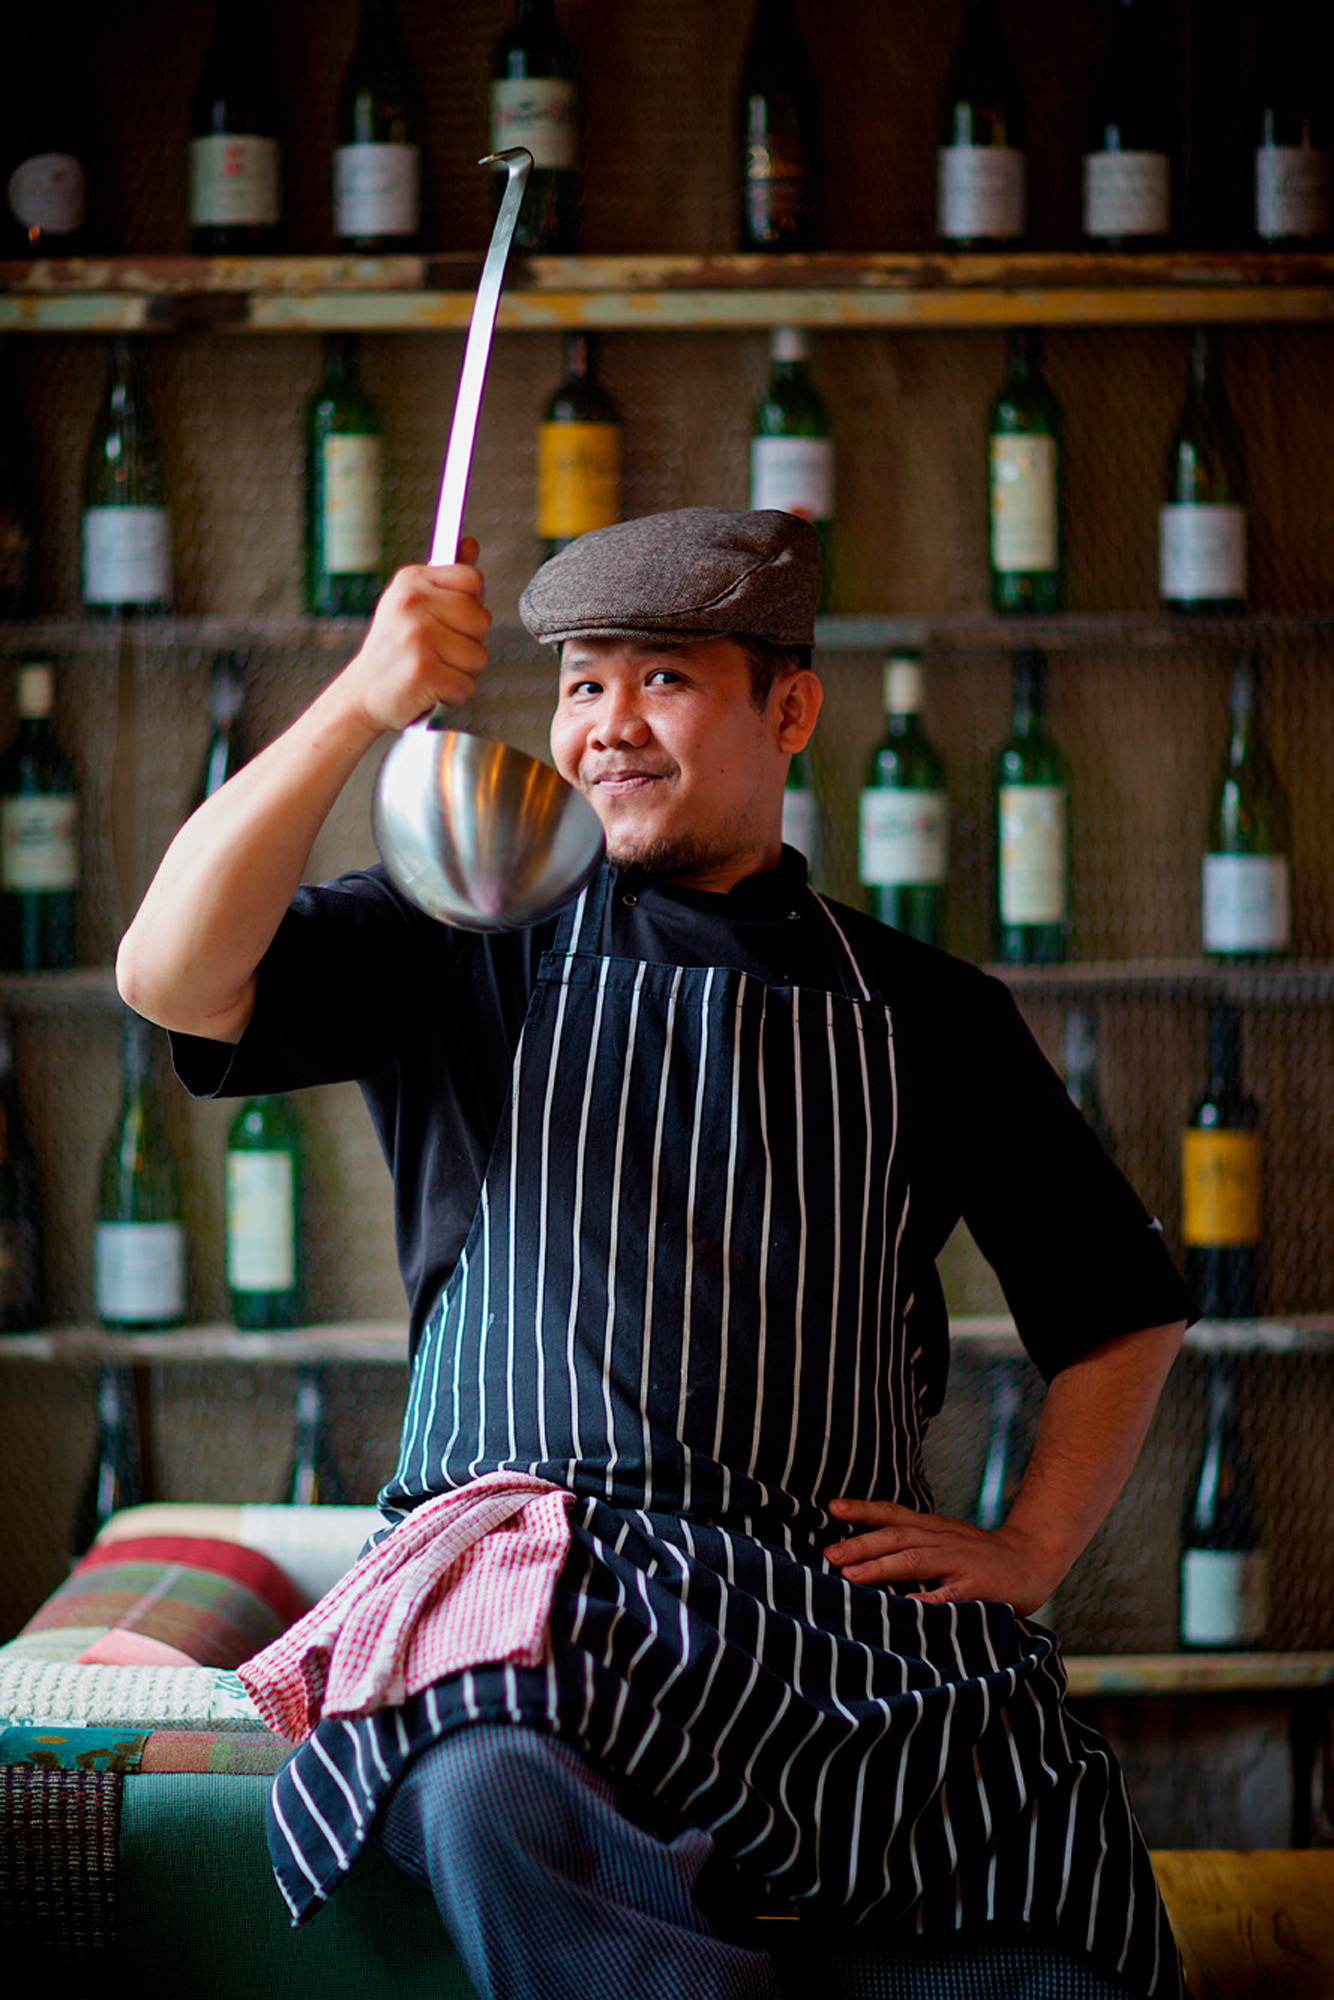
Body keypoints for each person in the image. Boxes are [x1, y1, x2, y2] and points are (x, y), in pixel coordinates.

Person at [117, 508, 1189, 2000]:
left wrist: (1032, 1548)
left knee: (1058, 1894)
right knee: (478, 1788)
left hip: (829, 1619)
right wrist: (358, 703)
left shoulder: (930, 1012)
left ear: (790, 709)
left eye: (664, 680)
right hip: (535, 1595)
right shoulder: (465, 940)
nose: (608, 724)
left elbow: (1117, 1303)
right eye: (581, 684)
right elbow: (169, 971)